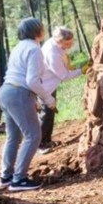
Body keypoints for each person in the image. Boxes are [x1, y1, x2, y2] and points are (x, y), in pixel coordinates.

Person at [0, 18, 54, 192]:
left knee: (13, 136)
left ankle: (6, 177)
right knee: (33, 136)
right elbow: (31, 80)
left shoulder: (19, 47)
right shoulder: (34, 49)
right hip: (19, 93)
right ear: (38, 31)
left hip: (6, 91)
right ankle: (19, 179)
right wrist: (48, 99)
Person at [38, 26, 84, 154]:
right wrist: (81, 71)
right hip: (44, 86)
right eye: (67, 43)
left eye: (71, 42)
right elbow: (64, 76)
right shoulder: (52, 53)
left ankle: (46, 140)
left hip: (49, 84)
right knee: (45, 113)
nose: (70, 46)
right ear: (58, 41)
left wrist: (70, 65)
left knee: (50, 113)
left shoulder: (56, 45)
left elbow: (64, 61)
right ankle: (39, 145)